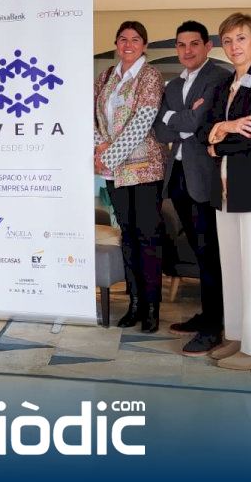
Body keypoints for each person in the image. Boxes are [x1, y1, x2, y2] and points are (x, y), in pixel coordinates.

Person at [200, 12, 251, 370]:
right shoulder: (224, 85)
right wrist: (227, 125)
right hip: (225, 193)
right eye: (228, 40)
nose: (234, 46)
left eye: (241, 38)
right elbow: (205, 127)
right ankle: (236, 336)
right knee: (233, 269)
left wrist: (217, 144)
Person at [153, 21, 232, 352]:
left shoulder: (219, 77)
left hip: (205, 175)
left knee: (210, 251)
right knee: (199, 252)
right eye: (181, 45)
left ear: (207, 46)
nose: (187, 50)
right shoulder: (173, 85)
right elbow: (161, 131)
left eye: (194, 44)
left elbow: (200, 124)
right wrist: (181, 118)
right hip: (179, 175)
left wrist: (176, 118)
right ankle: (207, 315)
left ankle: (215, 326)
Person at [94, 20, 166, 333]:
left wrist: (107, 156)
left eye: (135, 39)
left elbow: (142, 122)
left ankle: (151, 308)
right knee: (127, 236)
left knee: (147, 237)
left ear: (144, 45)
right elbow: (91, 116)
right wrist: (100, 146)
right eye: (123, 39)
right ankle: (134, 303)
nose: (128, 45)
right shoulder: (106, 76)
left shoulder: (150, 76)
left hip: (145, 168)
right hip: (115, 174)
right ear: (116, 43)